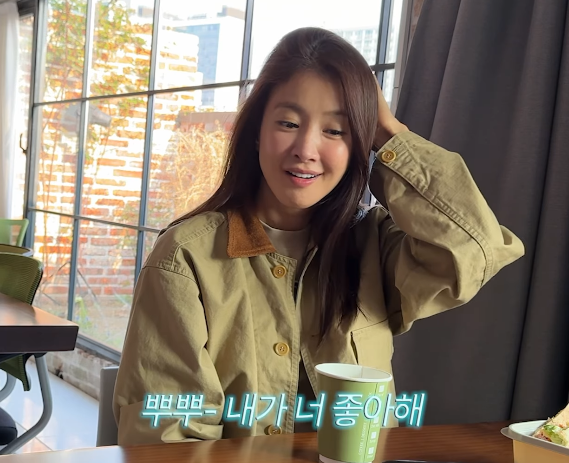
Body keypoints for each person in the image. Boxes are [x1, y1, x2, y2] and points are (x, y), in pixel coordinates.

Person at [113, 27, 524, 446]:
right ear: (257, 131)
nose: (306, 149)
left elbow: (476, 250)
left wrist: (389, 133)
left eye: (336, 130)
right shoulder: (185, 257)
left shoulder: (374, 243)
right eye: (288, 123)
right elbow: (169, 437)